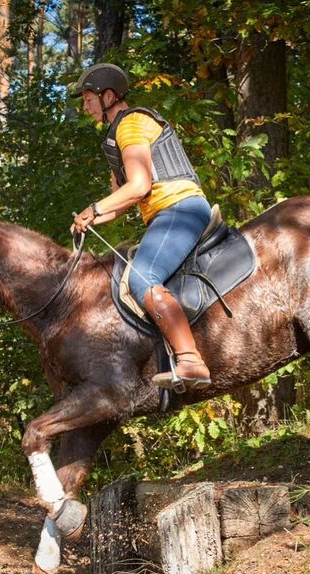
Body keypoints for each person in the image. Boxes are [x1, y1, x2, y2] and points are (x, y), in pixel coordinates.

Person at [71, 63, 211, 390]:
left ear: (108, 96)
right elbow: (121, 202)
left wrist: (93, 208)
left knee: (142, 277)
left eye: (88, 98)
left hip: (179, 208)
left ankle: (191, 361)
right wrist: (89, 218)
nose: (85, 106)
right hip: (165, 214)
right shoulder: (116, 136)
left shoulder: (131, 125)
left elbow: (139, 186)